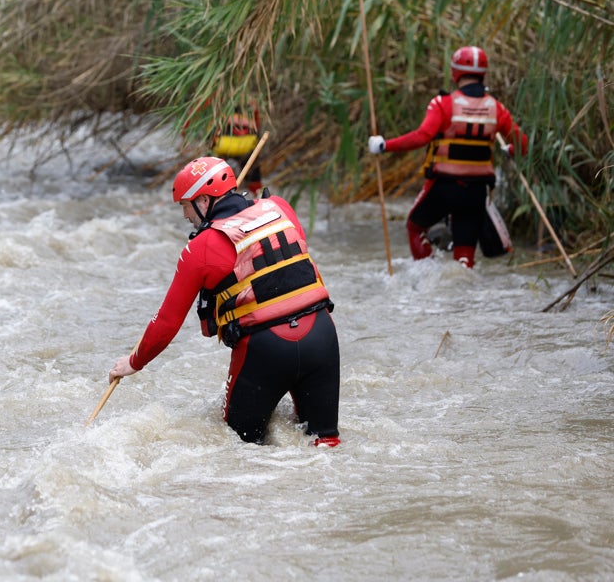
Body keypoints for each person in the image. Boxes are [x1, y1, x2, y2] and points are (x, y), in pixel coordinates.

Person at [107, 157, 341, 447]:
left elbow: (167, 322)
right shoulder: (280, 207)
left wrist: (133, 362)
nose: (184, 216)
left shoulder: (199, 248)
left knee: (237, 447)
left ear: (204, 201)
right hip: (321, 335)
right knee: (325, 443)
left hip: (264, 350)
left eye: (185, 205)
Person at [367, 46, 528, 268]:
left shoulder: (443, 104)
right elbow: (523, 145)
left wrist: (385, 145)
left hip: (444, 187)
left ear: (455, 72)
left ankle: (428, 276)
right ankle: (460, 296)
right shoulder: (497, 108)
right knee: (464, 255)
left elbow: (422, 136)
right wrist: (510, 150)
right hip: (476, 191)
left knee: (415, 227)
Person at [211, 108, 263, 195]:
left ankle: (220, 189)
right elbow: (256, 126)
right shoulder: (251, 106)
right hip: (244, 145)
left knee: (218, 168)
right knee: (252, 168)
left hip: (226, 145)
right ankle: (256, 190)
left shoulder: (220, 104)